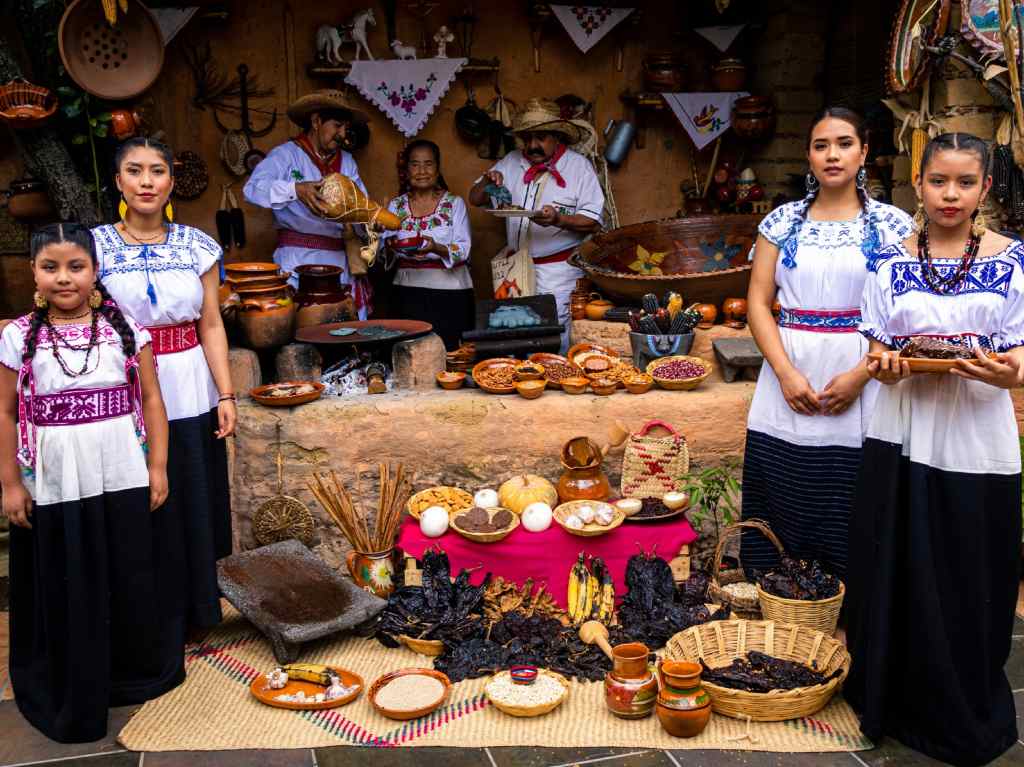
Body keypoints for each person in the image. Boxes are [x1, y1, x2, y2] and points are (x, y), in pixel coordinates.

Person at [846, 133, 1022, 766]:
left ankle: (963, 708)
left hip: (976, 434)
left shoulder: (1015, 259)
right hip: (902, 428)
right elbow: (872, 344)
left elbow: (1023, 349)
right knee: (898, 560)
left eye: (965, 183)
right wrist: (884, 365)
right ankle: (894, 702)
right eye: (939, 181)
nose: (951, 195)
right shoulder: (889, 260)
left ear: (985, 190)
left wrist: (1013, 372)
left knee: (971, 563)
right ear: (917, 185)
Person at [0, 223, 178, 742]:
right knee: (71, 575)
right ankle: (77, 674)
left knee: (126, 571)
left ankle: (128, 670)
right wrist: (11, 484)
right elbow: (6, 412)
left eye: (76, 266)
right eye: (50, 267)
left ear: (96, 271)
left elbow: (150, 400)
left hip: (120, 472)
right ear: (33, 272)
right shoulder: (17, 337)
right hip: (57, 483)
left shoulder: (124, 329)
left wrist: (158, 467)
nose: (63, 278)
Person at [741, 108, 914, 580]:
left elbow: (905, 312)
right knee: (787, 480)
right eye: (821, 145)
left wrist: (862, 375)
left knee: (853, 486)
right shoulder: (781, 222)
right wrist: (785, 373)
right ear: (809, 156)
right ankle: (781, 597)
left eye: (843, 143)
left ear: (864, 152)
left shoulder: (896, 227)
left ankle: (850, 603)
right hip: (789, 365)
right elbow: (757, 303)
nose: (832, 154)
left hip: (866, 370)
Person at [92, 137, 235, 642]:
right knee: (141, 495)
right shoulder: (94, 248)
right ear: (118, 182)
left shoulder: (197, 246)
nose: (147, 181)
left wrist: (226, 394)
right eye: (135, 171)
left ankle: (197, 610)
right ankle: (148, 617)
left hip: (189, 380)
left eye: (157, 171)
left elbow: (212, 324)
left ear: (171, 182)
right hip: (124, 385)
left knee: (192, 493)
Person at [468, 98, 604, 352]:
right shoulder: (511, 161)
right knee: (512, 334)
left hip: (559, 273)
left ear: (557, 137)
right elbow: (475, 199)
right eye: (527, 138)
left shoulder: (578, 168)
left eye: (540, 138)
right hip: (514, 270)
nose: (532, 145)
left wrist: (558, 219)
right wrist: (487, 182)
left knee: (555, 337)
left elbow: (593, 221)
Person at [244, 89, 373, 319]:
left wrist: (370, 224)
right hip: (296, 263)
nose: (342, 134)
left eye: (345, 127)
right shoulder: (287, 155)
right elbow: (253, 189)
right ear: (316, 121)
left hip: (341, 265)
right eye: (336, 125)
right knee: (302, 334)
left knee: (345, 336)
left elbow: (360, 206)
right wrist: (296, 189)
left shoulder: (348, 162)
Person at [383, 139, 473, 350]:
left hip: (450, 295)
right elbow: (384, 253)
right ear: (406, 170)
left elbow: (464, 250)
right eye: (415, 164)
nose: (421, 171)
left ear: (438, 168)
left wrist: (437, 248)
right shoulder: (396, 205)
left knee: (448, 355)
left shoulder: (454, 203)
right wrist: (385, 243)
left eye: (428, 164)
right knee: (408, 354)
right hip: (406, 293)